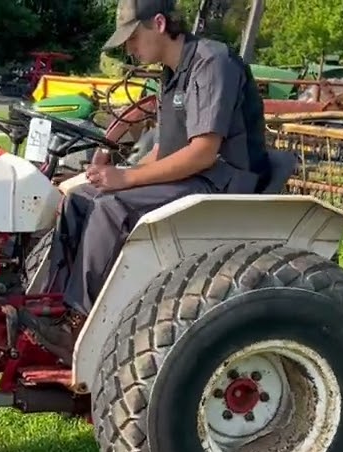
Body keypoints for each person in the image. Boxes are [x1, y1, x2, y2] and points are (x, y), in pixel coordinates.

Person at [15, 0, 271, 364]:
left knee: (111, 209)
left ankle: (78, 327)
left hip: (224, 180)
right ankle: (49, 306)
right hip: (194, 175)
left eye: (133, 37)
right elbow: (166, 150)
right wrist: (115, 174)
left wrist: (128, 178)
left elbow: (203, 152)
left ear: (160, 24)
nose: (129, 48)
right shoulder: (172, 73)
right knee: (82, 198)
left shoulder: (212, 62)